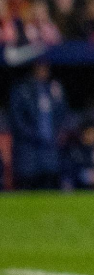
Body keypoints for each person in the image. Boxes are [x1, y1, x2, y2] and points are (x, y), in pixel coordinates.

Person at [7, 60, 68, 190]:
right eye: (40, 67)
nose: (43, 70)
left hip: (50, 146)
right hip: (29, 146)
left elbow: (63, 114)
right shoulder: (22, 88)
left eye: (45, 67)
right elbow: (16, 118)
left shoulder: (54, 88)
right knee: (27, 184)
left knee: (49, 184)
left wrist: (57, 133)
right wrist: (33, 134)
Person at [63, 121, 94, 190]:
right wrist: (86, 175)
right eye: (89, 133)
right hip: (79, 188)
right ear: (82, 135)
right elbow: (69, 172)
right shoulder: (74, 151)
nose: (92, 136)